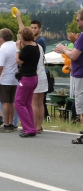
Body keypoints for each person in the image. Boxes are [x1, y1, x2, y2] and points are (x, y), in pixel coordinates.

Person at [54, 9, 83, 143]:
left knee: (81, 105)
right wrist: (67, 49)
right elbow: (77, 52)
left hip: (80, 75)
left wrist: (64, 50)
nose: (76, 22)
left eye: (77, 19)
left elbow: (74, 55)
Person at [16, 13, 48, 133]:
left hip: (34, 74)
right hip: (39, 74)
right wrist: (19, 18)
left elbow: (23, 33)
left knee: (34, 103)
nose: (33, 30)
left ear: (40, 29)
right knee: (39, 103)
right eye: (32, 28)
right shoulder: (38, 43)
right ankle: (37, 126)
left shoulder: (37, 43)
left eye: (35, 28)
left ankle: (33, 125)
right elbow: (24, 32)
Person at [15, 27, 40, 138]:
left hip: (26, 79)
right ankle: (31, 127)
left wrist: (17, 49)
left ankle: (29, 128)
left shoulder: (27, 49)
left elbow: (19, 61)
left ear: (23, 37)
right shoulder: (35, 46)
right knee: (27, 104)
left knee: (19, 102)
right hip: (34, 77)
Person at [0, 28, 18, 132]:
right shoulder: (15, 45)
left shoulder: (3, 49)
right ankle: (12, 123)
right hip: (14, 79)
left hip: (4, 79)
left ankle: (6, 124)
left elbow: (0, 67)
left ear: (2, 38)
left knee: (5, 102)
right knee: (11, 102)